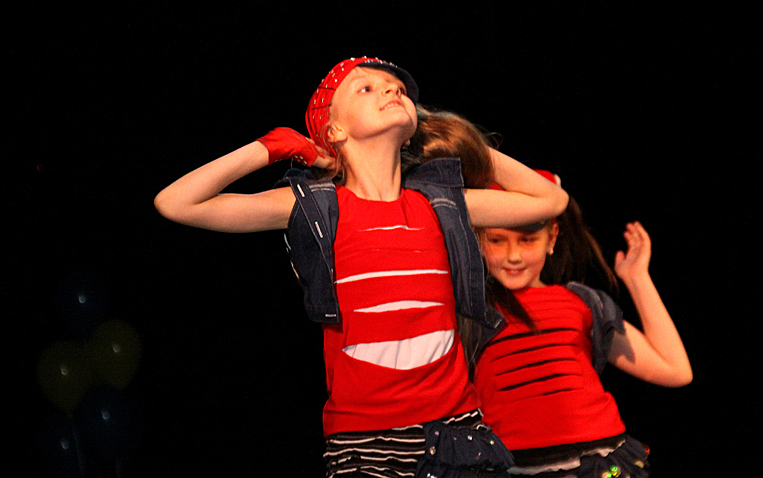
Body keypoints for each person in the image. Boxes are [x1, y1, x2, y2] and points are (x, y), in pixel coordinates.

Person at [154, 56, 569, 477]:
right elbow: (175, 203)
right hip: (367, 443)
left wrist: (464, 141)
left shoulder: (441, 203)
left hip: (456, 434)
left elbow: (551, 200)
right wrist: (270, 147)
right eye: (366, 88)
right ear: (335, 130)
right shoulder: (317, 207)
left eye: (399, 89)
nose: (391, 90)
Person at [474, 184, 692, 477]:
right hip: (514, 464)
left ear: (552, 238)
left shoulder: (580, 302)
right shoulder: (469, 311)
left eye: (527, 240)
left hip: (597, 459)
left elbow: (675, 370)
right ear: (478, 239)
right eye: (497, 240)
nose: (513, 255)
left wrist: (637, 278)